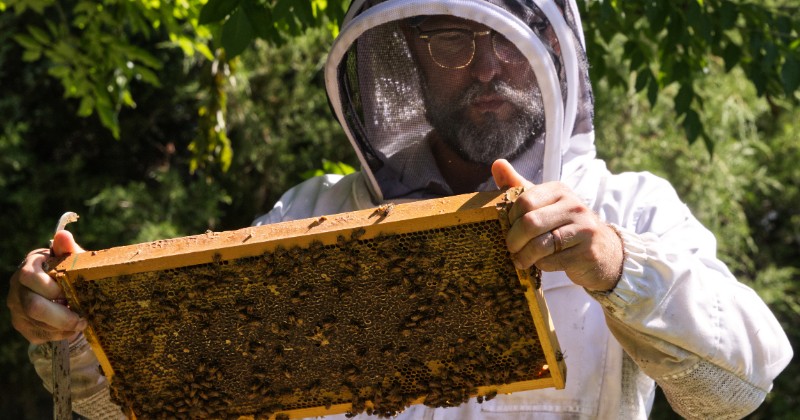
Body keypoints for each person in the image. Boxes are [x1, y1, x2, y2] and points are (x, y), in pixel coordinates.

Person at [7, 0, 793, 418]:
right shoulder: (312, 210)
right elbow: (178, 404)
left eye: (506, 39)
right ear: (403, 61)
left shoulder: (628, 205)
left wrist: (614, 264)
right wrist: (77, 333)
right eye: (451, 42)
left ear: (552, 51)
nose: (485, 67)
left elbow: (738, 387)